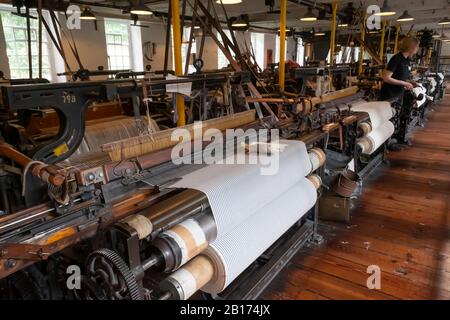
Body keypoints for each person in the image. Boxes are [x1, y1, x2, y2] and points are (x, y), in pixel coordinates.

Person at [380, 36, 419, 101]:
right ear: (411, 47)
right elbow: (386, 78)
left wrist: (409, 82)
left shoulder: (406, 60)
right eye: (416, 46)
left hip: (399, 93)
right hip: (390, 94)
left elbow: (399, 76)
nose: (417, 49)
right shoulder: (397, 58)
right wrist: (404, 83)